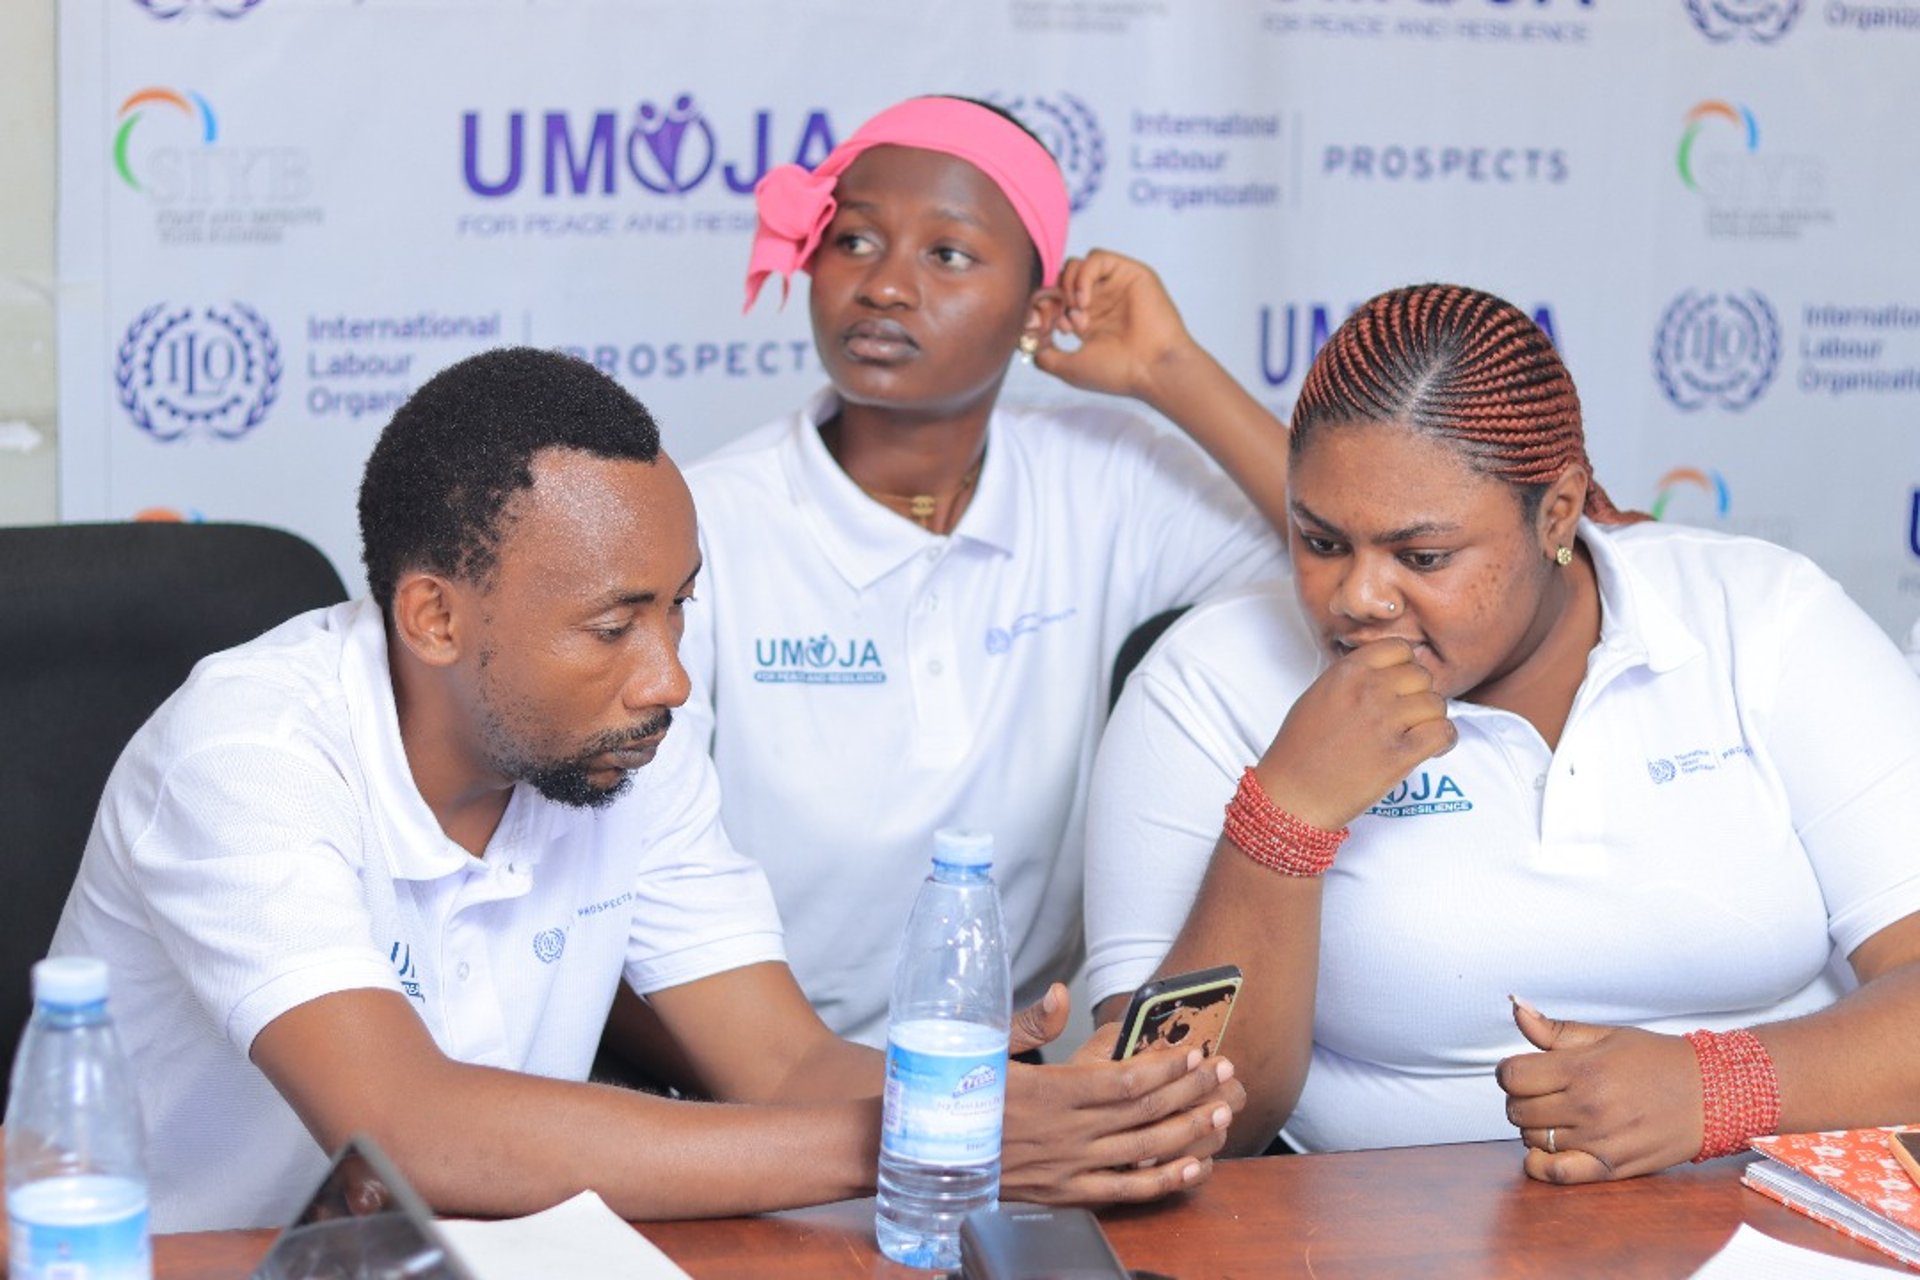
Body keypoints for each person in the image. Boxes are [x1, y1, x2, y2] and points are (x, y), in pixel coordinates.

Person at [48, 347, 1242, 1232]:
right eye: (614, 622)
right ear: (434, 616)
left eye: (680, 606)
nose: (668, 674)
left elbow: (780, 1066)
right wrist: (914, 1141)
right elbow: (411, 1130)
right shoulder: (246, 748)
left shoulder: (623, 747)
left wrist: (1001, 1105)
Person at [1083, 284, 1920, 1182]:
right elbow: (1167, 1121)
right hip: (1364, 1236)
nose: (1359, 598)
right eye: (1320, 542)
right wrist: (1284, 819)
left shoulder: (1759, 618)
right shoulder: (1210, 679)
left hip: (1771, 1217)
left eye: (1423, 557)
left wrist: (1717, 1089)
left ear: (1556, 514)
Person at [677, 95, 1288, 1049]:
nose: (883, 286)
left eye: (947, 254)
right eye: (853, 243)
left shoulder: (1102, 475)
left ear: (1037, 311)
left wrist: (1169, 367)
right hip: (745, 1069)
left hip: (1011, 1074)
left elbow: (1352, 550)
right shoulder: (704, 519)